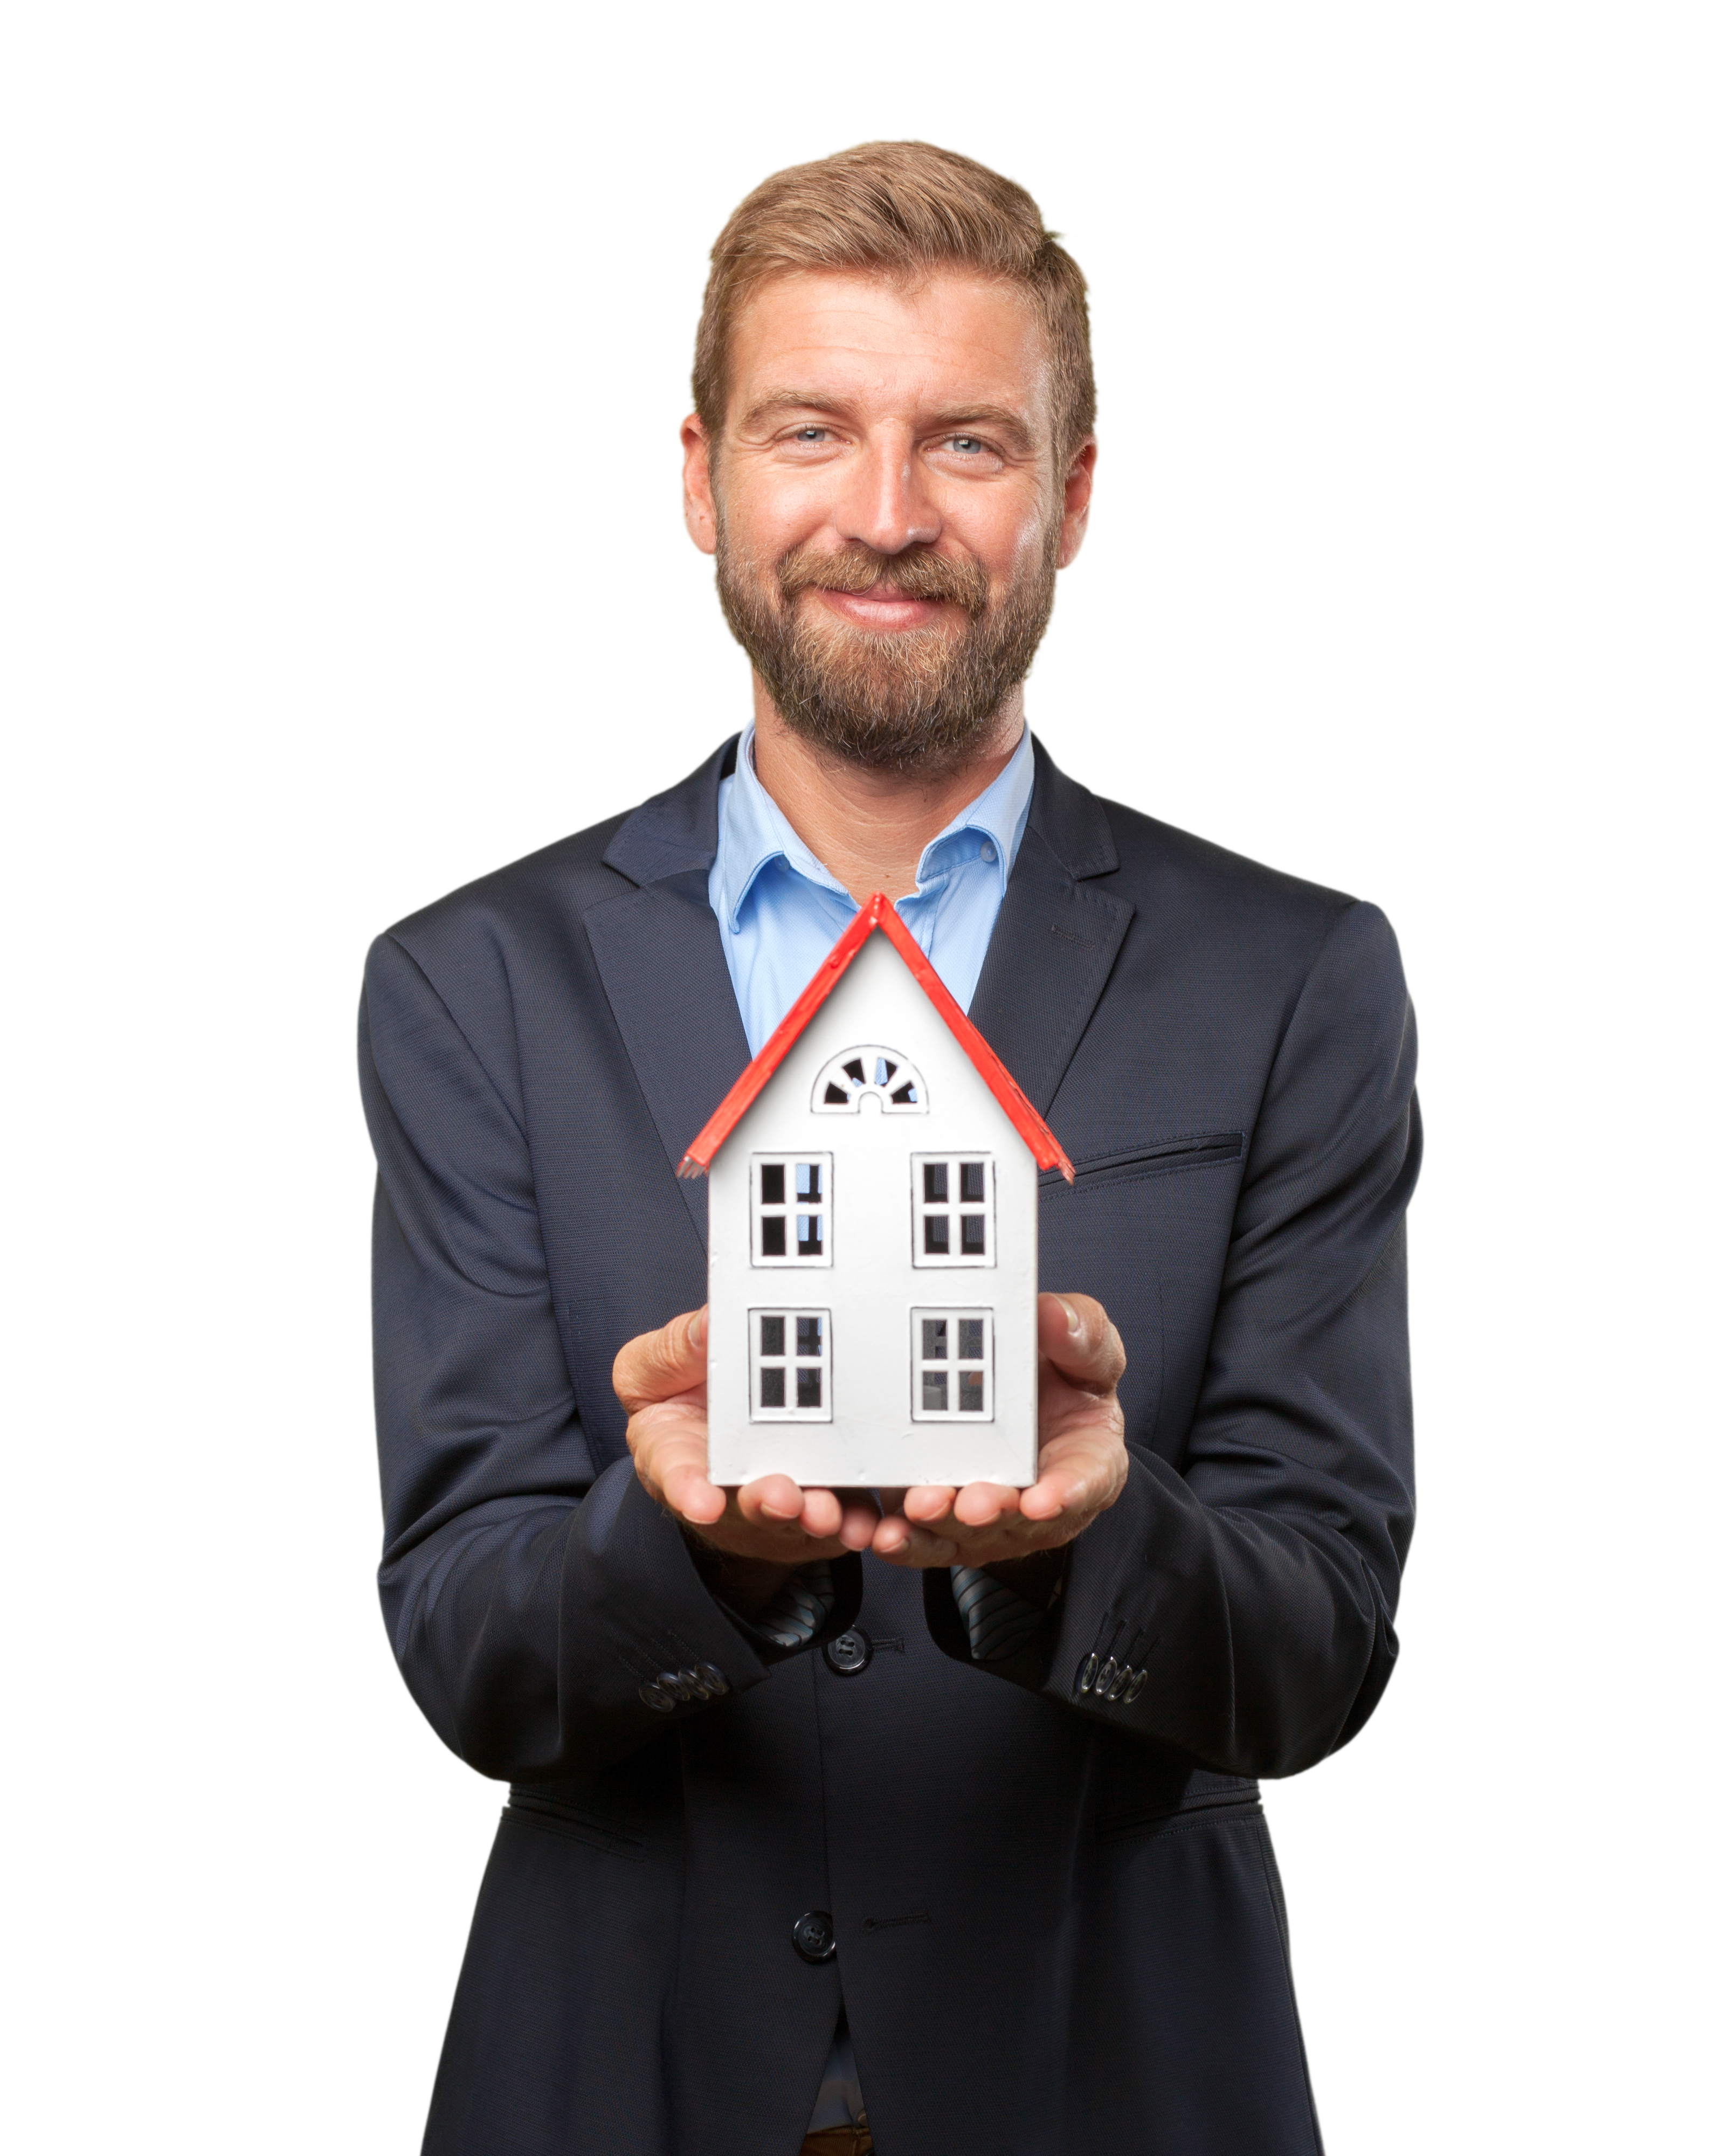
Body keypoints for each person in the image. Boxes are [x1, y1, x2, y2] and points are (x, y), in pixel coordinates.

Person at [358, 140, 1419, 2156]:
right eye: (811, 431)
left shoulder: (1294, 982)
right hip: (619, 2081)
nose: (886, 515)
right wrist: (684, 1548)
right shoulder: (469, 986)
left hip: (1120, 2076)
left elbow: (1321, 1635)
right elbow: (467, 1635)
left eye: (969, 444)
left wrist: (1090, 1530)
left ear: (1075, 494)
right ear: (701, 477)